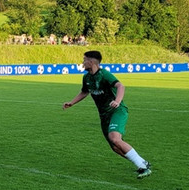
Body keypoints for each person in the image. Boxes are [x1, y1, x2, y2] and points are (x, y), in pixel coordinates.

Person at [62, 50, 151, 178]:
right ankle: (142, 163)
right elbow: (84, 92)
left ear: (91, 62)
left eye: (84, 60)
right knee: (115, 147)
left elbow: (120, 86)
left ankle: (143, 166)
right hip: (104, 115)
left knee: (115, 138)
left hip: (117, 111)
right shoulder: (86, 77)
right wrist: (72, 103)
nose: (82, 62)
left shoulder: (104, 74)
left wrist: (117, 101)